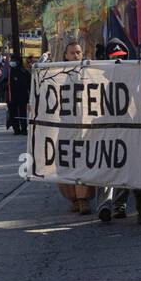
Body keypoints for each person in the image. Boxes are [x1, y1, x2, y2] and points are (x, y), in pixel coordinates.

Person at [54, 41, 93, 215]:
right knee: (66, 164)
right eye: (72, 53)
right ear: (65, 55)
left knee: (85, 163)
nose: (76, 56)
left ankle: (84, 199)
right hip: (65, 128)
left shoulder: (90, 74)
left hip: (85, 128)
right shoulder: (56, 75)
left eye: (78, 52)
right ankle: (74, 199)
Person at [94, 40, 130, 222]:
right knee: (105, 164)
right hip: (105, 127)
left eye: (122, 58)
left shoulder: (134, 76)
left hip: (126, 127)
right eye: (114, 58)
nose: (118, 61)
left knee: (125, 165)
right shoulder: (96, 76)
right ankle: (104, 205)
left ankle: (119, 205)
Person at [5, 53, 30, 135]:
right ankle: (16, 129)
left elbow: (29, 84)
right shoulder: (8, 71)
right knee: (13, 112)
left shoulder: (24, 72)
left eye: (14, 60)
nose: (12, 62)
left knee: (22, 112)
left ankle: (24, 129)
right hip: (12, 95)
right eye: (11, 60)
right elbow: (2, 82)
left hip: (22, 95)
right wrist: (6, 84)